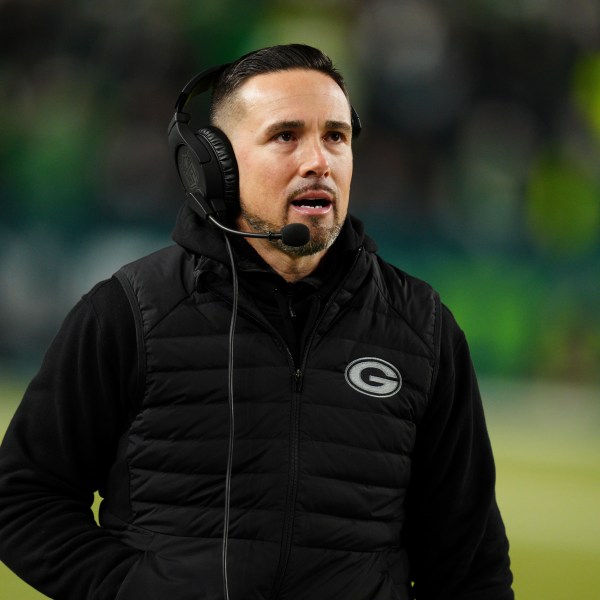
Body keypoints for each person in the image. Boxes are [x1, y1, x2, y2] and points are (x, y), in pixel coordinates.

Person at [0, 44, 513, 600]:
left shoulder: (422, 327)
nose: (319, 160)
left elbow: (469, 566)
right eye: (286, 136)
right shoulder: (128, 310)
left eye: (335, 136)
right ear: (215, 164)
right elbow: (23, 499)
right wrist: (130, 589)